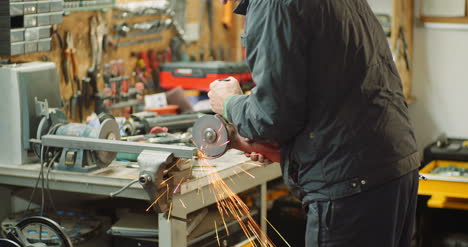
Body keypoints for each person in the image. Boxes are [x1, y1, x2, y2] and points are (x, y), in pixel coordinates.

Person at [208, 0, 420, 246]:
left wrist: (230, 103)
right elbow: (326, 89)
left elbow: (273, 117)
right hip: (392, 167)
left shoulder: (273, 5)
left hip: (350, 183)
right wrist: (281, 148)